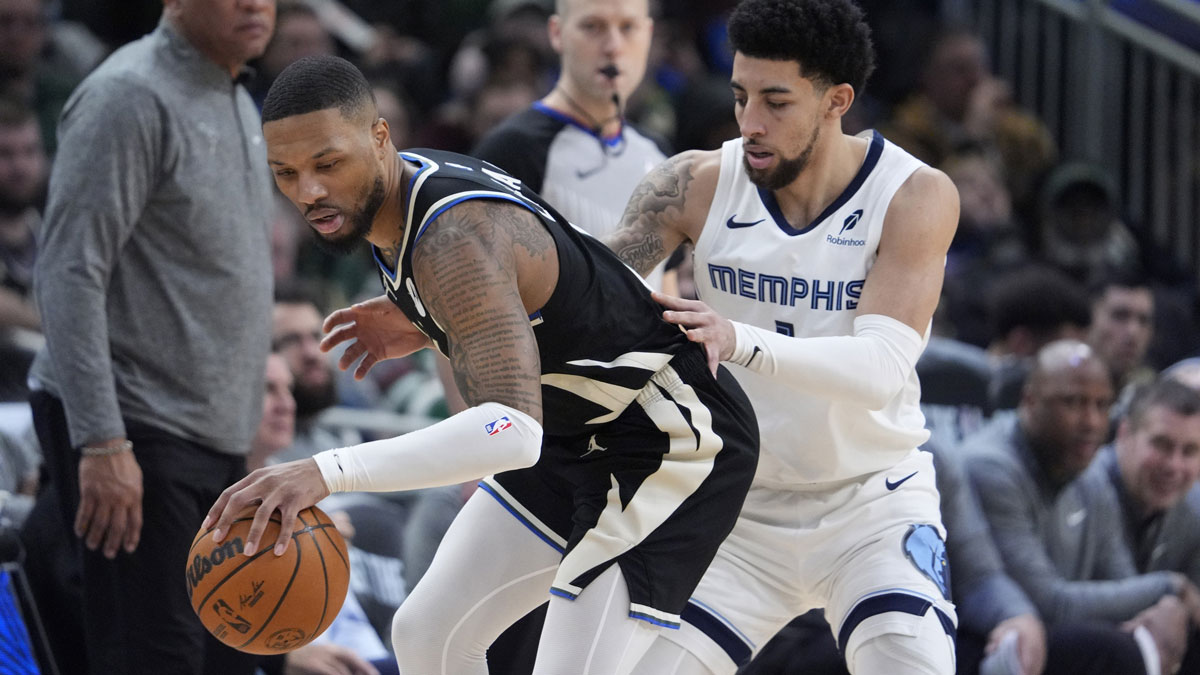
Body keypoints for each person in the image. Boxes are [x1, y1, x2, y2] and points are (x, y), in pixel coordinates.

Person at [204, 54, 759, 675]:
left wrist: (326, 471)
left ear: (379, 137)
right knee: (428, 635)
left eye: (327, 164)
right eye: (287, 172)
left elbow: (511, 433)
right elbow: (537, 281)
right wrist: (426, 316)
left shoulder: (451, 237)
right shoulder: (405, 197)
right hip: (574, 433)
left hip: (665, 437)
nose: (309, 191)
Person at [605, 0, 960, 672]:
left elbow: (883, 363)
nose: (750, 124)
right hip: (736, 511)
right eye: (741, 97)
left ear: (837, 100)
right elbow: (580, 290)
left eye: (776, 101)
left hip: (870, 502)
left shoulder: (914, 194)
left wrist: (736, 338)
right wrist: (439, 313)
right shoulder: (694, 183)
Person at [24, 0, 277, 673]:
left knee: (227, 660)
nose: (256, 3)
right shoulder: (128, 95)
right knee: (153, 658)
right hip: (138, 427)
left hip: (210, 441)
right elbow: (68, 271)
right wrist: (103, 440)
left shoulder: (237, 94)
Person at [964, 340, 1192, 675]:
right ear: (1029, 400)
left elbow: (1123, 579)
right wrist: (1170, 588)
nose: (1091, 421)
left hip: (1060, 637)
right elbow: (1047, 603)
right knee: (1109, 649)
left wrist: (1164, 608)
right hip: (995, 644)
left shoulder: (1087, 471)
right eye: (1073, 403)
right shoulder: (991, 466)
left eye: (1102, 405)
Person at [472, 0, 671, 288]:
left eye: (628, 27)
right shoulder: (512, 150)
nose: (613, 45)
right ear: (557, 33)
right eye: (593, 27)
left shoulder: (659, 153)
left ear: (649, 34)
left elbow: (670, 291)